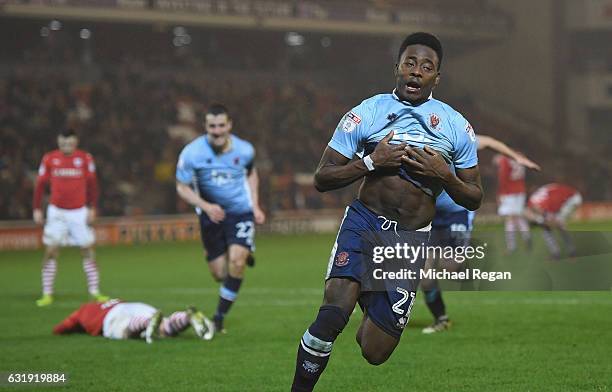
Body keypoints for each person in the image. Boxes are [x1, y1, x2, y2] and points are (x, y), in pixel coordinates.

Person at [291, 32, 483, 391]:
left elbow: (474, 196)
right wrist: (370, 161)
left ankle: (367, 288)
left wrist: (445, 175)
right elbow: (323, 177)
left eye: (426, 67)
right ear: (397, 67)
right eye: (410, 63)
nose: (416, 72)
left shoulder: (456, 126)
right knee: (332, 315)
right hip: (363, 223)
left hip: (407, 242)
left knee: (375, 350)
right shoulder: (368, 112)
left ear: (436, 78)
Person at [421, 135, 540, 334]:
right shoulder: (416, 137)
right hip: (432, 214)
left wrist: (515, 158)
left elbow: (490, 142)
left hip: (459, 212)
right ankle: (441, 319)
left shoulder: (457, 136)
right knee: (425, 273)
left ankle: (462, 264)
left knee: (449, 267)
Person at [176, 104, 265, 334]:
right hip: (211, 217)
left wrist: (255, 205)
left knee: (236, 262)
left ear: (229, 125)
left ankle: (218, 318)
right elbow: (181, 187)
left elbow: (251, 173)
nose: (217, 131)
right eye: (212, 126)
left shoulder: (245, 150)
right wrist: (206, 206)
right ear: (205, 126)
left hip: (240, 212)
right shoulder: (192, 153)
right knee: (220, 274)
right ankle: (241, 253)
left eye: (221, 125)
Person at [33, 129, 109, 307]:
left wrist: (93, 207)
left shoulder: (85, 158)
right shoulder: (49, 158)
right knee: (51, 250)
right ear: (58, 142)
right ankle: (47, 294)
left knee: (87, 249)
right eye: (63, 143)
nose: (66, 145)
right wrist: (37, 208)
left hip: (79, 212)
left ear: (76, 142)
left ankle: (95, 291)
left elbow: (93, 185)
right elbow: (40, 185)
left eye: (69, 143)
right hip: (57, 212)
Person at [53, 298, 214, 343]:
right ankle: (186, 317)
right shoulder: (111, 300)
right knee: (165, 327)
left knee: (126, 330)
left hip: (112, 317)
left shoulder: (85, 309)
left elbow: (63, 326)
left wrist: (60, 331)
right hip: (132, 305)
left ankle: (146, 323)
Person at [524, 183, 582, 259]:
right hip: (571, 197)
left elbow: (544, 216)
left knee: (557, 225)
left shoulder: (536, 203)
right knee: (550, 226)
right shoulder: (537, 198)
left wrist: (539, 221)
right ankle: (559, 252)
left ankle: (569, 252)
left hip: (571, 199)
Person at [494, 154, 533, 253]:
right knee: (518, 217)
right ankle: (526, 236)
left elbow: (502, 177)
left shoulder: (504, 159)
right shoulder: (518, 156)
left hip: (509, 192)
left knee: (510, 219)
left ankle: (511, 246)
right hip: (520, 191)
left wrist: (500, 193)